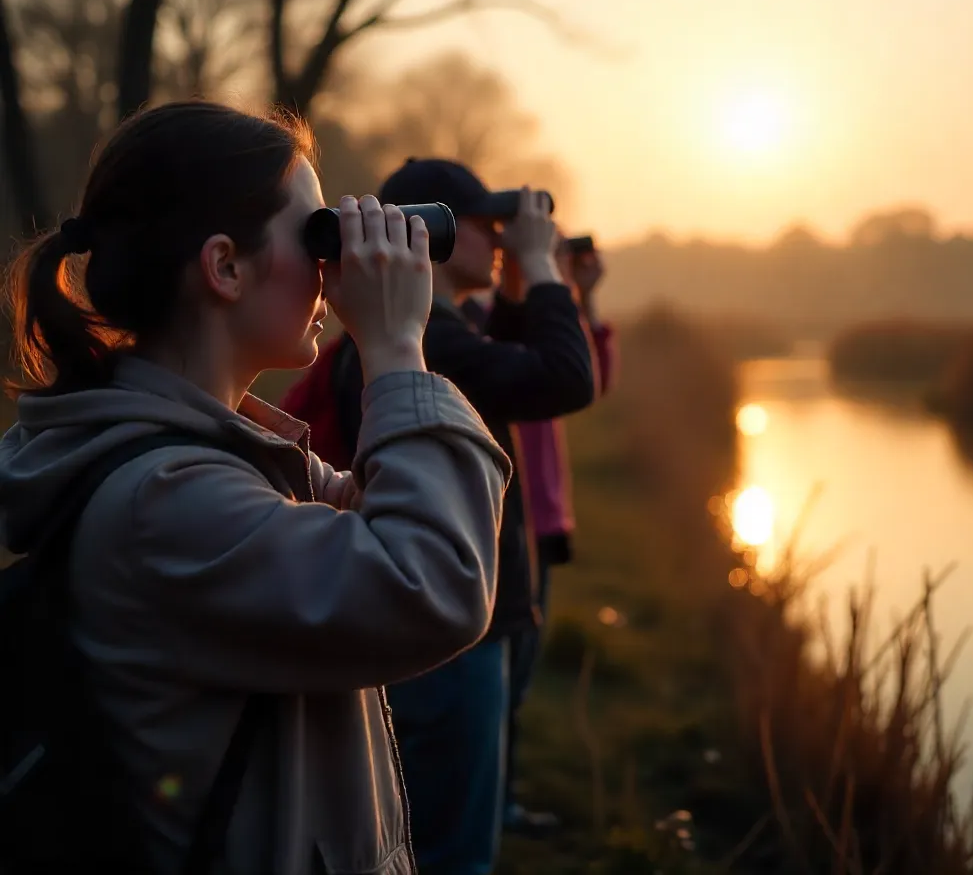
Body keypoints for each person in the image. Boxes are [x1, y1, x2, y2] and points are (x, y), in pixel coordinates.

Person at [0, 103, 509, 875]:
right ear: (225, 268)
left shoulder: (222, 461)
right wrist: (396, 345)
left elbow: (395, 521)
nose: (331, 267)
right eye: (315, 235)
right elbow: (435, 582)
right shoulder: (163, 502)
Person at [331, 158, 595, 874]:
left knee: (441, 829)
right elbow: (563, 378)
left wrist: (527, 285)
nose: (500, 238)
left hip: (461, 616)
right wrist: (540, 265)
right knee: (452, 852)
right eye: (484, 224)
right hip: (452, 638)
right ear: (432, 232)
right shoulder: (431, 342)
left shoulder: (439, 335)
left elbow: (508, 366)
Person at [499, 235, 617, 833]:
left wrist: (582, 299)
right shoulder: (504, 320)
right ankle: (490, 806)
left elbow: (592, 380)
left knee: (518, 674)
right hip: (512, 522)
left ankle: (498, 799)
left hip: (541, 519)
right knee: (503, 671)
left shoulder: (546, 318)